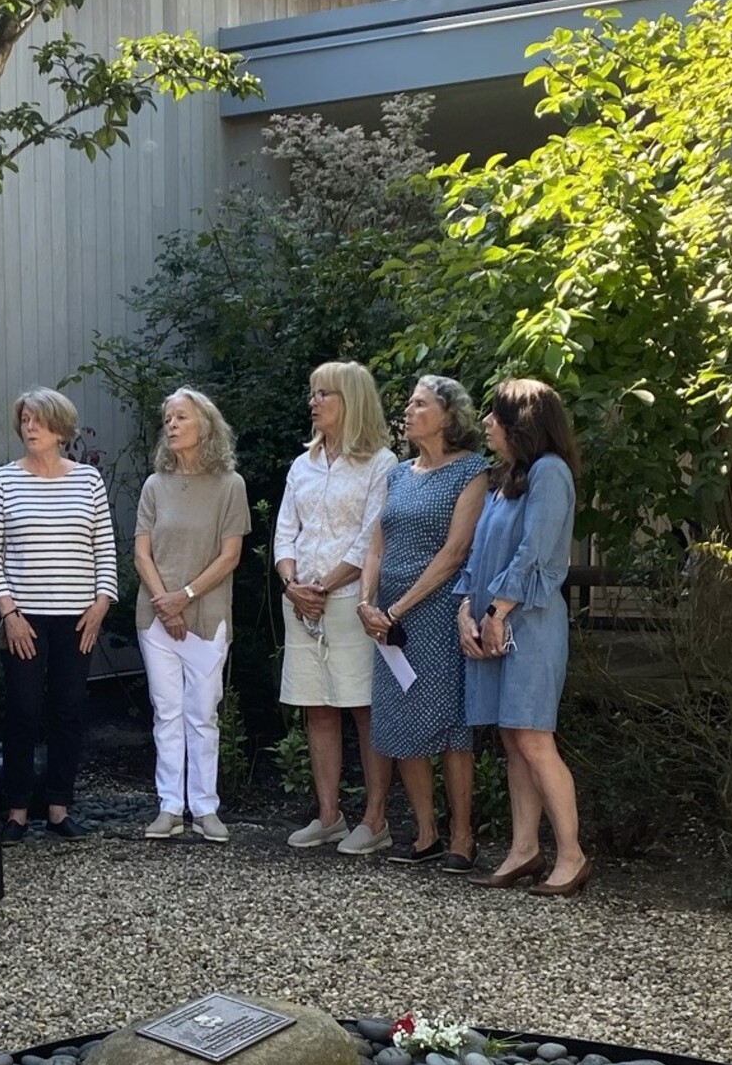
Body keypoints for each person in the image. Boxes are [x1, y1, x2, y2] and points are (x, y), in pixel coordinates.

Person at [458, 378, 591, 897]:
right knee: (513, 738)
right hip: (496, 617)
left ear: (522, 424)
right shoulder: (508, 477)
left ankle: (572, 856)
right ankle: (523, 850)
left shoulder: (551, 474)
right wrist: (466, 611)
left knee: (534, 738)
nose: (487, 424)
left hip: (530, 624)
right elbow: (478, 555)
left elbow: (535, 553)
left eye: (496, 416)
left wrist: (497, 610)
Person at [358, 376, 488, 871]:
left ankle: (461, 835)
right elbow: (375, 543)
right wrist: (368, 603)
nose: (408, 411)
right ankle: (425, 832)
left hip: (435, 613)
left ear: (450, 416)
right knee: (400, 720)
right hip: (386, 619)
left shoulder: (471, 471)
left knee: (450, 723)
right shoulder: (397, 475)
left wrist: (397, 609)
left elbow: (455, 552)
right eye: (408, 403)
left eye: (419, 404)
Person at [0, 388, 116, 842]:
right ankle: (16, 811)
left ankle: (59, 807)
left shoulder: (88, 481)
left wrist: (101, 604)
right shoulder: (2, 481)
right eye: (24, 420)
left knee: (69, 710)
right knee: (22, 711)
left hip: (78, 617)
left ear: (60, 428)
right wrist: (9, 612)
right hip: (24, 618)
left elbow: (105, 548)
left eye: (38, 420)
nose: (30, 427)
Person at [276, 362, 397, 855]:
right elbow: (286, 531)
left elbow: (372, 537)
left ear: (351, 401)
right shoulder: (301, 465)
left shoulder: (381, 464)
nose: (313, 402)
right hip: (301, 601)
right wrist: (292, 584)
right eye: (312, 393)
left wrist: (321, 587)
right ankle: (329, 816)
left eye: (323, 393)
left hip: (349, 602)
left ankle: (375, 818)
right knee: (317, 708)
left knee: (363, 708)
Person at [134, 388, 250, 842]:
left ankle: (205, 807)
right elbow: (141, 553)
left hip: (207, 614)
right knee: (166, 712)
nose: (172, 424)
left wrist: (184, 596)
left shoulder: (230, 485)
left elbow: (230, 556)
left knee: (202, 713)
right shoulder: (153, 485)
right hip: (156, 616)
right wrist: (166, 602)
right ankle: (169, 807)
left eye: (181, 416)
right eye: (168, 417)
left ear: (205, 425)